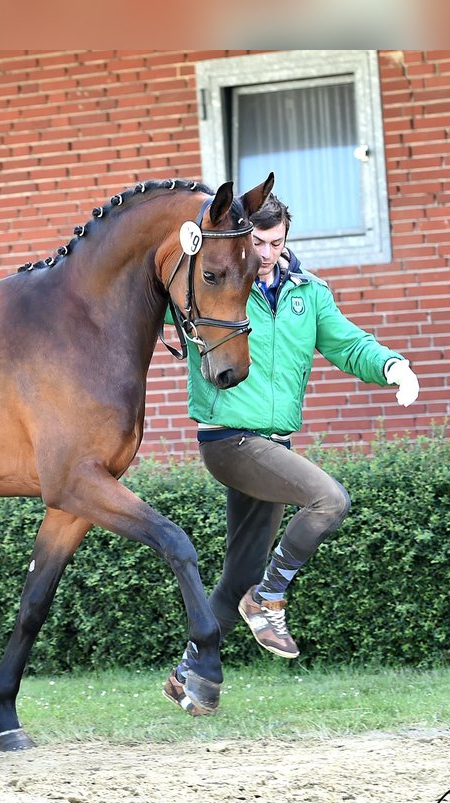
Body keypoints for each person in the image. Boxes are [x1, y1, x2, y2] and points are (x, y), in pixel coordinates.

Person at [163, 192, 420, 715]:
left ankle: (190, 674)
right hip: (229, 438)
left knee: (239, 570)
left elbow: (348, 344)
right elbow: (172, 286)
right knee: (328, 500)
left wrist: (392, 365)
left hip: (272, 445)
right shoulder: (219, 286)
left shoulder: (309, 293)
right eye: (256, 242)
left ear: (286, 238)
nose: (265, 253)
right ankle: (271, 597)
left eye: (275, 242)